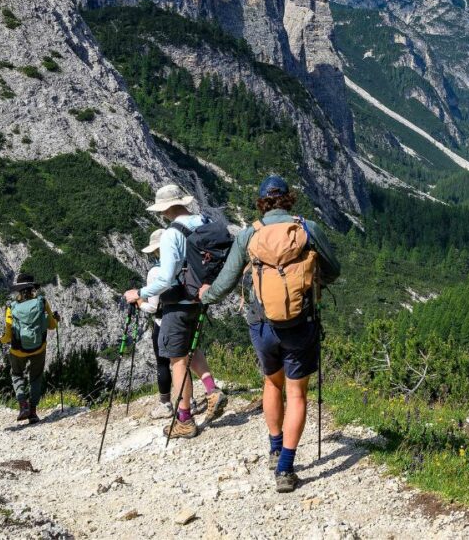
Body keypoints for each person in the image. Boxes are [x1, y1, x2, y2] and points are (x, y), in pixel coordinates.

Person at [200, 175, 340, 493]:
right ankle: (285, 469)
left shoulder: (250, 234)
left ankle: (274, 446)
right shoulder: (307, 229)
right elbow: (334, 269)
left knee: (271, 383)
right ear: (288, 199)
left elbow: (225, 283)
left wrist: (205, 295)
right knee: (297, 394)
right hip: (300, 323)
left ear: (262, 203)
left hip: (261, 323)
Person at [124, 184, 227, 439]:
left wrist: (140, 293)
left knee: (177, 361)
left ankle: (184, 420)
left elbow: (166, 279)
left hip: (176, 305)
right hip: (200, 300)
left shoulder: (172, 234)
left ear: (165, 209)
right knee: (191, 351)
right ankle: (212, 390)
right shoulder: (203, 221)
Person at [0, 273, 59, 425]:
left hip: (18, 350)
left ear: (18, 290)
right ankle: (33, 412)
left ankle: (22, 404)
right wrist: (55, 319)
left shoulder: (11, 307)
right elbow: (52, 326)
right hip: (39, 348)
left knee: (17, 374)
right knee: (36, 378)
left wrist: (1, 340)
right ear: (33, 288)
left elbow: (8, 333)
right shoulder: (42, 302)